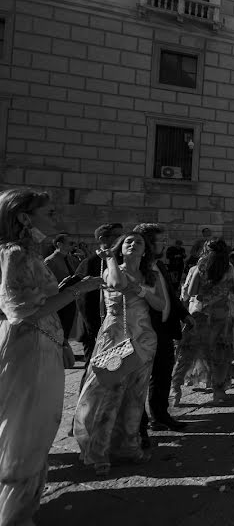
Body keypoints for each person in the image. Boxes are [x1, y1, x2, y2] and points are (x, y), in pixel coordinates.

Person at [0, 189, 103, 524]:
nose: (56, 219)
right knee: (26, 430)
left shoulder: (26, 252)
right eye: (50, 212)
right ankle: (15, 515)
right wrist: (78, 290)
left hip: (40, 343)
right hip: (27, 348)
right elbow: (24, 312)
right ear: (24, 218)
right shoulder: (15, 254)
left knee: (37, 428)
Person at [74, 232, 165, 477]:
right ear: (120, 248)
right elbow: (115, 284)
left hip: (144, 339)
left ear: (145, 251)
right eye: (127, 241)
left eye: (138, 242)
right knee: (109, 397)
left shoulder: (151, 274)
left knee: (135, 398)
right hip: (116, 337)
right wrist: (111, 258)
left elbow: (160, 305)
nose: (133, 244)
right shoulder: (111, 268)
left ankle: (129, 446)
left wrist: (142, 290)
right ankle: (99, 452)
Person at [133, 224, 192, 435]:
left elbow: (171, 296)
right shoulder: (137, 268)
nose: (165, 244)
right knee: (140, 377)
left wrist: (184, 314)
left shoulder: (161, 265)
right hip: (144, 331)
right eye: (161, 240)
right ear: (148, 243)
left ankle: (160, 415)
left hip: (165, 329)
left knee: (163, 374)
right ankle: (138, 421)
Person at [171, 239, 234, 404]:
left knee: (187, 354)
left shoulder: (200, 268)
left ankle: (175, 389)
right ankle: (218, 391)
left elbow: (192, 291)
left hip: (199, 316)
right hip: (221, 317)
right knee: (218, 355)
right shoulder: (230, 270)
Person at [74, 223, 123, 369]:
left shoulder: (119, 260)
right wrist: (94, 328)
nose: (121, 239)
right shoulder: (89, 263)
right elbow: (83, 300)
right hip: (95, 328)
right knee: (92, 369)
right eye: (117, 235)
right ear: (103, 239)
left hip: (115, 325)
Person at [44, 232, 80, 339]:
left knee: (67, 330)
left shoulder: (70, 259)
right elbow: (46, 284)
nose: (73, 245)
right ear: (60, 244)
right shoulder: (50, 261)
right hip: (58, 300)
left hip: (70, 298)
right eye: (70, 243)